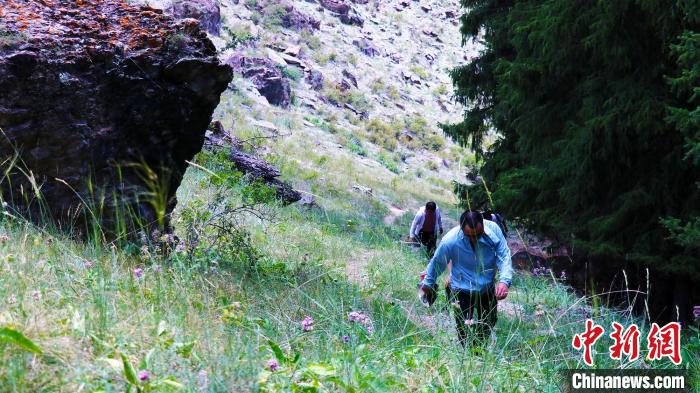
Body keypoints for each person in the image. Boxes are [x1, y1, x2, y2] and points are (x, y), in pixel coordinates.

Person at [420, 211, 512, 347]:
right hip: (461, 287)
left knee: (489, 321)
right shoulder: (450, 240)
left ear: (483, 225)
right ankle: (466, 353)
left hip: (487, 287)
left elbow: (504, 255)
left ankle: (477, 350)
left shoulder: (494, 230)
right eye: (469, 235)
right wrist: (427, 284)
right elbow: (437, 263)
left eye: (478, 234)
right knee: (462, 325)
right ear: (461, 228)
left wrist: (504, 281)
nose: (474, 239)